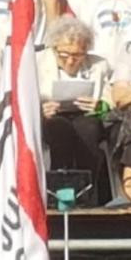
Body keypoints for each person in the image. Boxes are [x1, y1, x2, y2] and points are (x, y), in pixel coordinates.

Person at [38, 15, 112, 203]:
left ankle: (86, 191)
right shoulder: (38, 62)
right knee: (58, 129)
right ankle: (59, 191)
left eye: (77, 55)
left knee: (88, 128)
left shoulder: (99, 65)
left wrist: (99, 106)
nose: (70, 61)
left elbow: (109, 103)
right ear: (54, 49)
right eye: (64, 55)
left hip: (85, 115)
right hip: (51, 117)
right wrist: (41, 110)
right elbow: (26, 98)